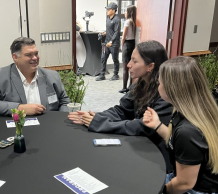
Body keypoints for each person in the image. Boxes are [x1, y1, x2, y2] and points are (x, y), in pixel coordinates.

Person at [68, 40, 173, 172]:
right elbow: (122, 110)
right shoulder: (139, 85)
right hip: (139, 145)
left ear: (150, 66)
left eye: (135, 61)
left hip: (157, 157)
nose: (129, 65)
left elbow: (143, 127)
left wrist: (101, 123)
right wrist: (95, 117)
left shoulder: (165, 93)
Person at [143, 56, 218, 194]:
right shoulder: (194, 109)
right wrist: (157, 125)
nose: (158, 86)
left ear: (171, 89)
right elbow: (177, 142)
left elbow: (185, 184)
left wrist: (161, 191)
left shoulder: (188, 131)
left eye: (159, 83)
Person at [0, 37, 71, 116]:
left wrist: (60, 120)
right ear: (15, 57)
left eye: (36, 53)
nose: (35, 58)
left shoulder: (52, 76)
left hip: (48, 128)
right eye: (29, 55)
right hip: (16, 129)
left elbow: (65, 102)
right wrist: (21, 109)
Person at [95, 2, 120, 81]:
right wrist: (104, 33)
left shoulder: (117, 20)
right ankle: (102, 74)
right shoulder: (108, 19)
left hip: (114, 44)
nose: (107, 11)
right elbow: (110, 30)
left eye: (109, 9)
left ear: (113, 10)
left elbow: (116, 32)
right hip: (106, 43)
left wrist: (111, 42)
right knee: (103, 58)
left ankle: (116, 74)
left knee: (115, 59)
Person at [119, 5, 136, 93]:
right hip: (133, 44)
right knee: (131, 66)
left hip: (127, 44)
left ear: (129, 12)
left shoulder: (127, 22)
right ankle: (130, 86)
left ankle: (124, 87)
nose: (125, 13)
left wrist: (122, 46)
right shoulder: (134, 22)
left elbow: (123, 36)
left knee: (125, 67)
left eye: (126, 11)